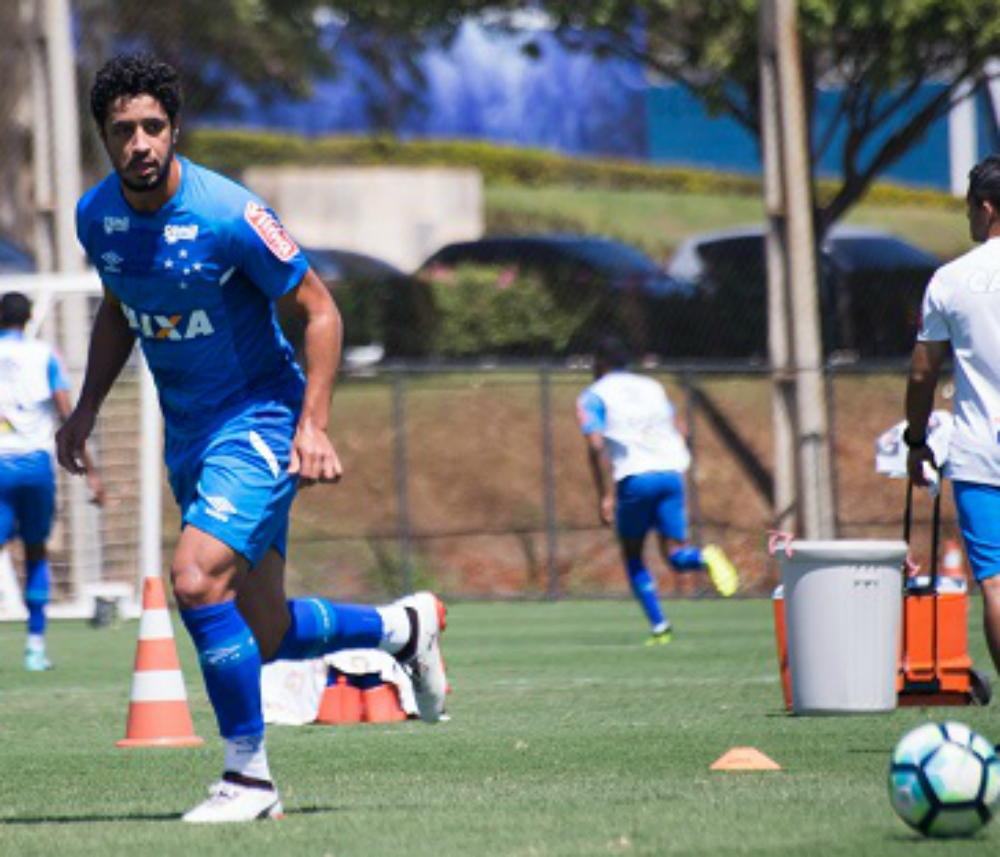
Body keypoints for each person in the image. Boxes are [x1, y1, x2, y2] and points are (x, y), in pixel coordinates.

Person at [57, 53, 447, 824]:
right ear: (103, 136)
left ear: (175, 129)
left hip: (262, 419)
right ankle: (404, 628)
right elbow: (117, 309)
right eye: (123, 130)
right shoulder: (95, 217)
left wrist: (314, 425)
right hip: (190, 436)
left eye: (153, 127)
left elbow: (321, 309)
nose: (139, 143)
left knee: (196, 579)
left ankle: (249, 780)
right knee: (261, 631)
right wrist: (86, 407)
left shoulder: (229, 212)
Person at [905, 153, 1000, 681]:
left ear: (986, 208)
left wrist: (917, 440)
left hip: (982, 452)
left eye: (969, 209)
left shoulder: (950, 280)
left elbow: (922, 376)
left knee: (995, 583)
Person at [576, 337, 739, 644]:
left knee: (633, 554)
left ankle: (660, 627)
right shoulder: (652, 387)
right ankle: (704, 557)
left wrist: (605, 495)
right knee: (675, 555)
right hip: (670, 473)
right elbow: (681, 428)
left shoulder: (593, 395)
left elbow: (595, 445)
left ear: (598, 363)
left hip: (634, 477)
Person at [0, 292, 104, 671]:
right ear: (29, 319)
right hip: (33, 465)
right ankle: (35, 647)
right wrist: (91, 473)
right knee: (35, 551)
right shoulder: (45, 354)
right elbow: (66, 411)